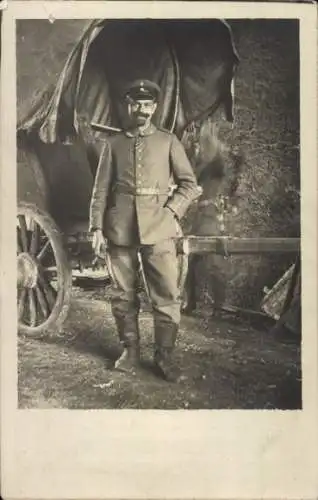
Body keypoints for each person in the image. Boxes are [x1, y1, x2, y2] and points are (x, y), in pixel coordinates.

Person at [89, 79, 200, 382]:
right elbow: (100, 191)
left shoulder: (168, 141)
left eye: (147, 104)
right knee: (122, 294)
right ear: (129, 106)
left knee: (166, 294)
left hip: (159, 228)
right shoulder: (113, 145)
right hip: (119, 229)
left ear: (155, 108)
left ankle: (164, 356)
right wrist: (97, 227)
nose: (141, 109)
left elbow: (190, 185)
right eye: (136, 104)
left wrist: (170, 212)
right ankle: (131, 351)